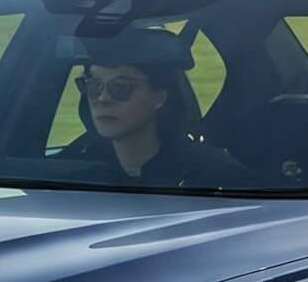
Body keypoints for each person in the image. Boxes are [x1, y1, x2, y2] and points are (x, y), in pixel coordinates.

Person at [53, 25, 248, 189]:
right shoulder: (68, 170)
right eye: (93, 86)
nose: (103, 98)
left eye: (121, 87)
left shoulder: (215, 175)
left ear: (159, 97)